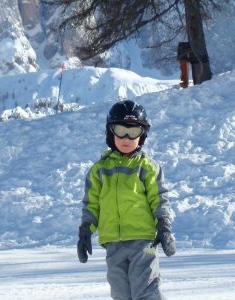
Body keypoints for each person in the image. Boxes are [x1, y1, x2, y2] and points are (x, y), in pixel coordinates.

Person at [77, 100, 176, 300]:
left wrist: (164, 226)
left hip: (142, 242)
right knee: (121, 295)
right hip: (113, 244)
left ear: (142, 135)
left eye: (133, 132)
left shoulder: (147, 167)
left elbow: (159, 200)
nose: (126, 138)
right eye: (120, 130)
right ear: (110, 132)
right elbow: (91, 205)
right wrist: (85, 231)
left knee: (146, 292)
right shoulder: (99, 170)